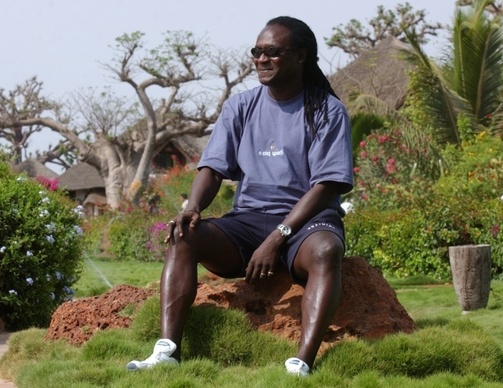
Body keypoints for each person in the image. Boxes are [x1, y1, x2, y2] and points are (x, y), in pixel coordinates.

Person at [127, 16, 353, 377]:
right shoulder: (240, 106)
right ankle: (167, 351)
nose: (261, 60)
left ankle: (302, 364)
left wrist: (278, 238)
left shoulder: (327, 110)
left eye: (272, 52)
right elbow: (213, 168)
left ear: (300, 56)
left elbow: (326, 185)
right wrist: (192, 208)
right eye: (257, 52)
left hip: (308, 222)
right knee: (183, 232)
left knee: (327, 250)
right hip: (248, 219)